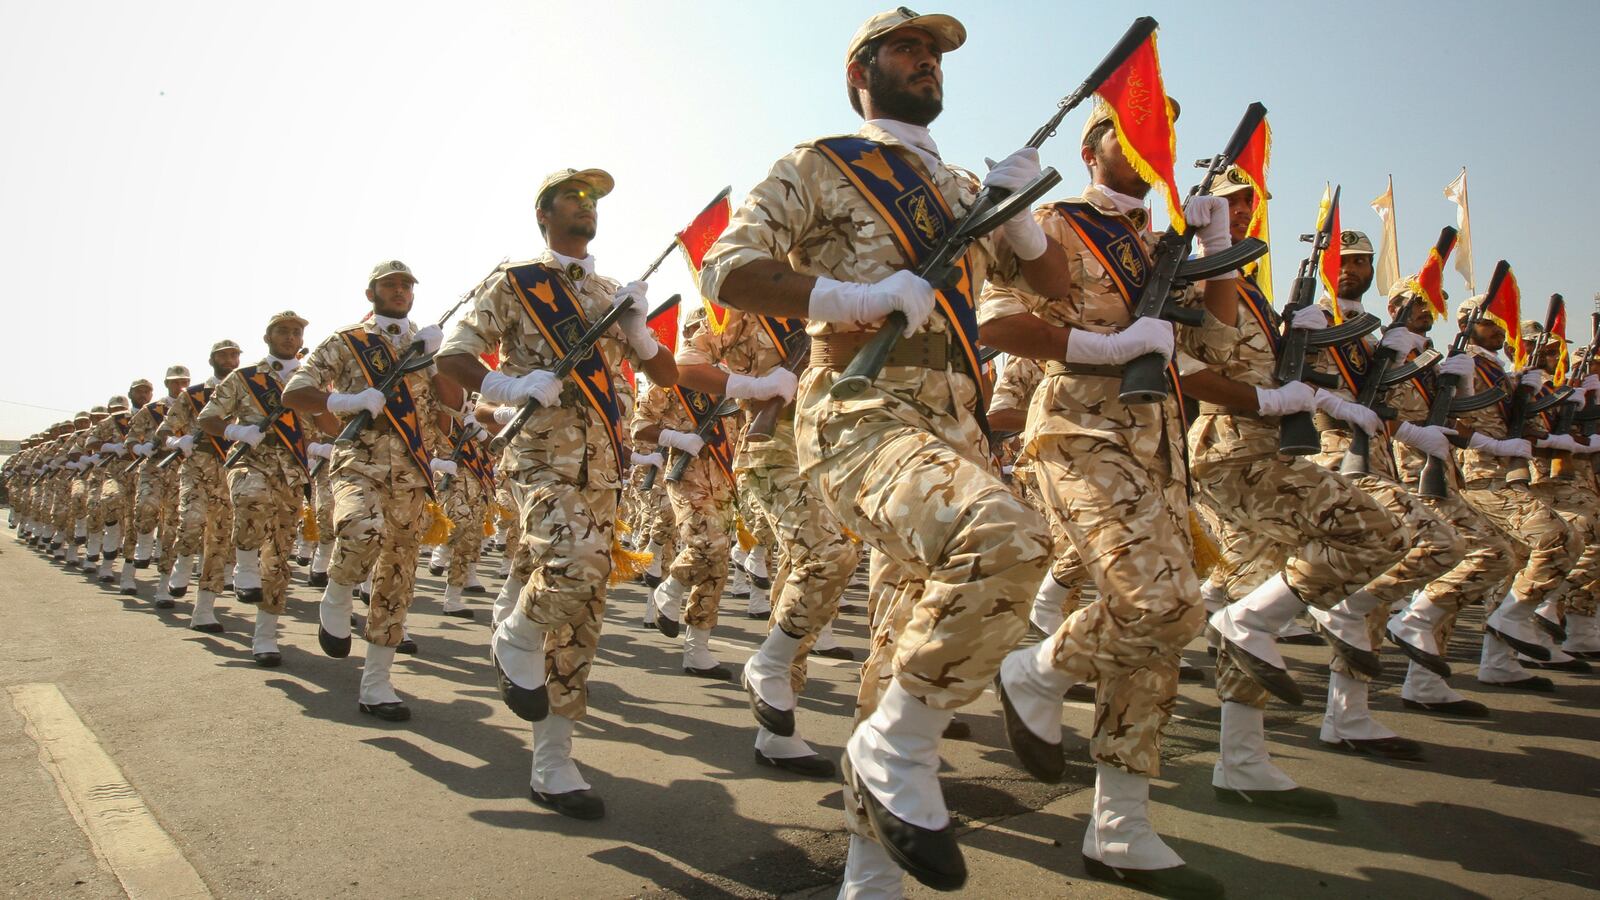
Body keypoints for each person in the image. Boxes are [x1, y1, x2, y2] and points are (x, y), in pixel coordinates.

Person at [436, 168, 678, 819]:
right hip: (542, 457)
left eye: (592, 198)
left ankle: (553, 761)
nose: (586, 205)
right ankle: (514, 635)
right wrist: (509, 386)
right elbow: (454, 359)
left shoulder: (609, 292)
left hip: (606, 469)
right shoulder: (515, 282)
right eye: (572, 196)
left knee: (581, 611)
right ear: (543, 213)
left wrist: (640, 330)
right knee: (577, 564)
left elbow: (666, 373)